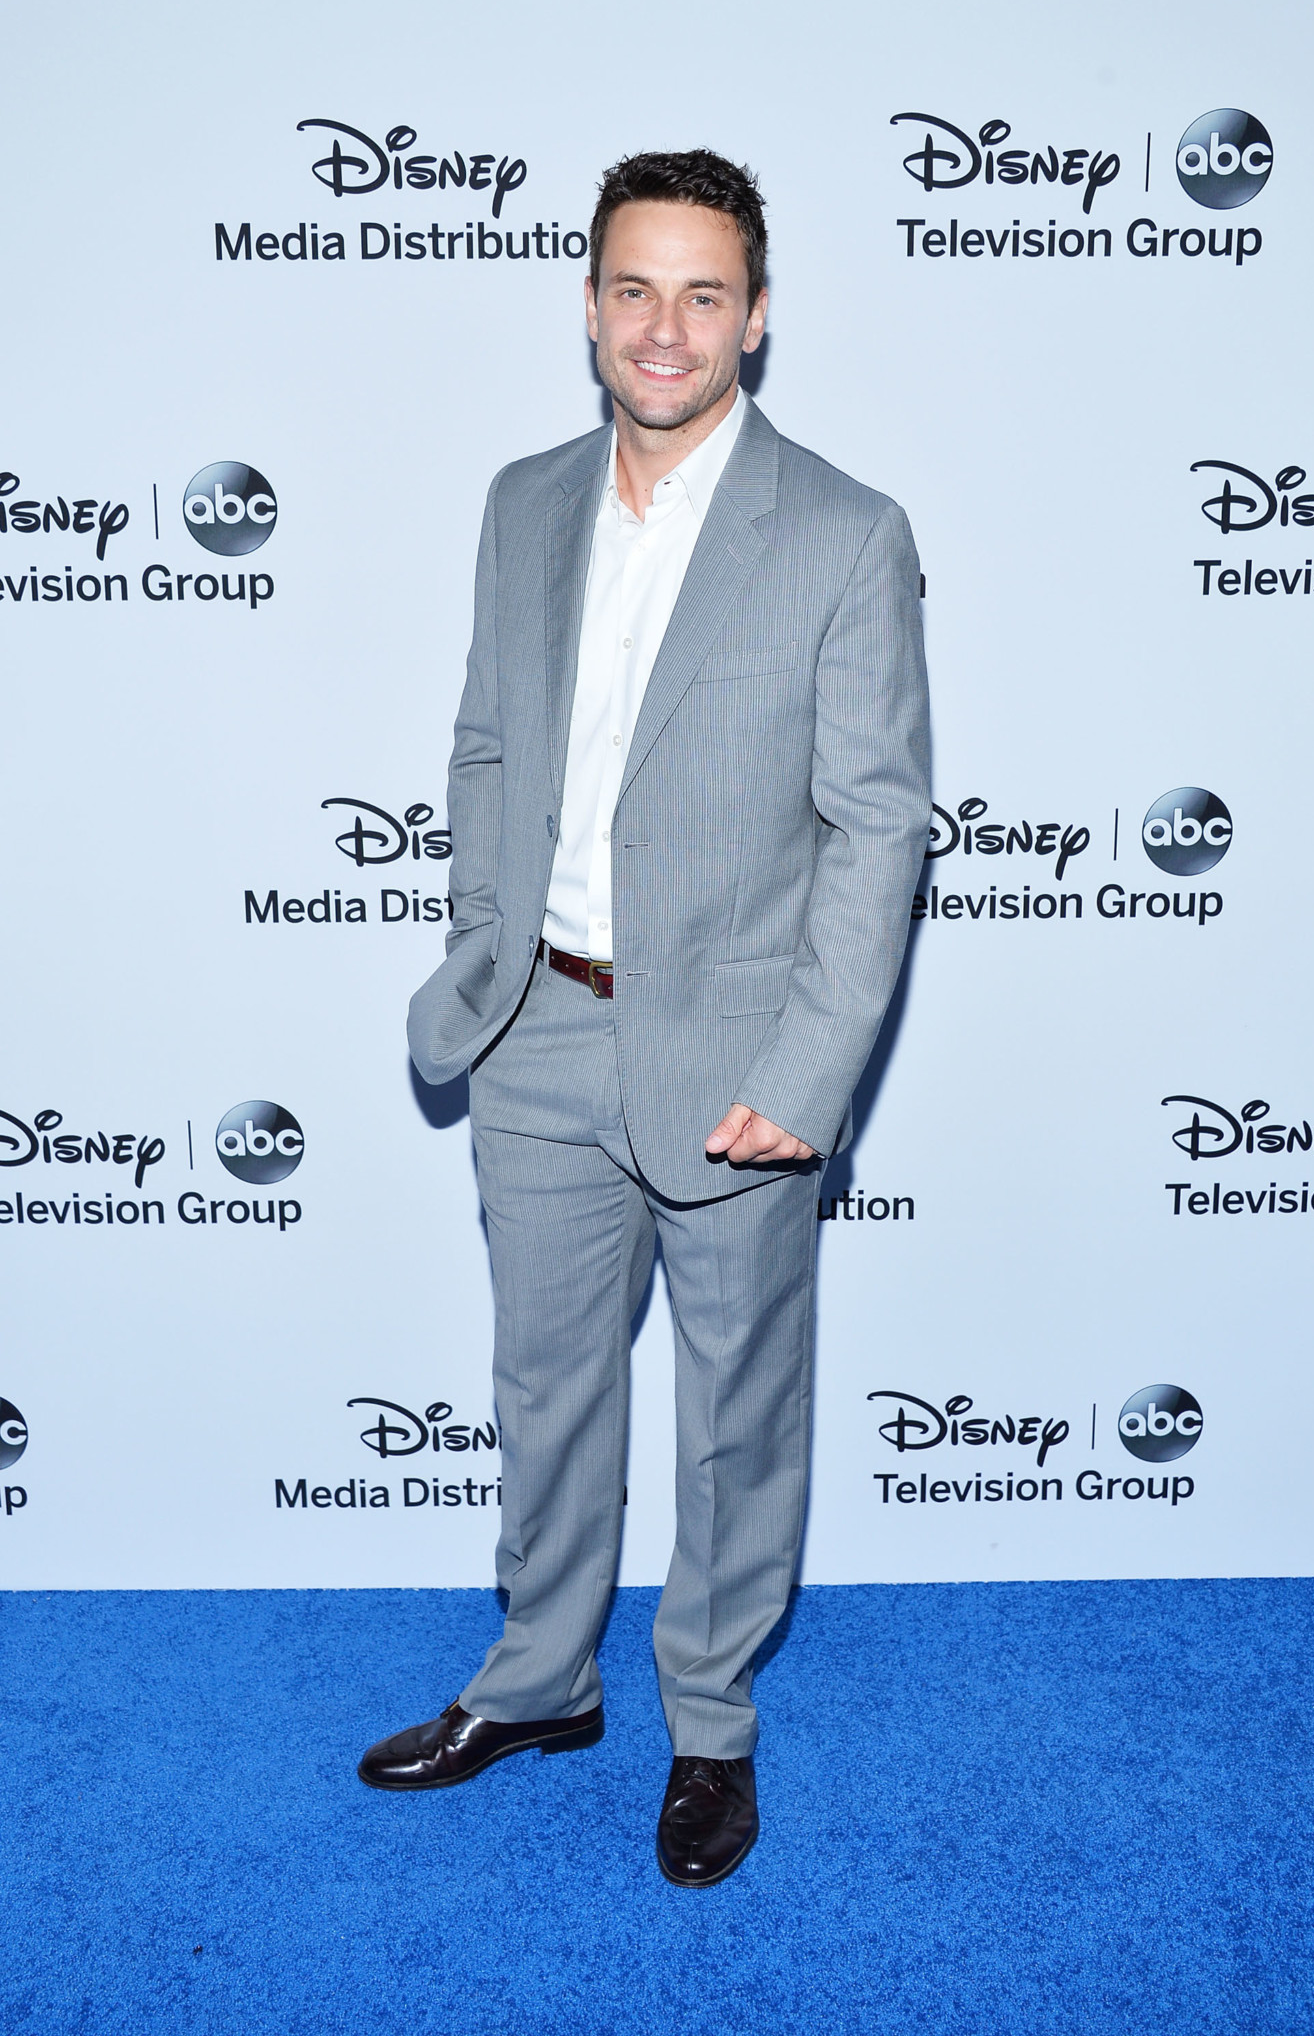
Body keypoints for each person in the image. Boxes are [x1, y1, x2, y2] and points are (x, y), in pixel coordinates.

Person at [359, 149, 931, 1886]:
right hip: (536, 1026)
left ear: (755, 318)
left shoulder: (843, 531)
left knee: (737, 1409)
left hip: (737, 1061)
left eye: (702, 293)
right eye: (632, 287)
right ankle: (538, 1682)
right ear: (590, 304)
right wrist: (482, 941)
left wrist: (809, 1069)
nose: (663, 328)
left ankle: (710, 1725)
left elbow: (879, 824)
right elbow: (481, 749)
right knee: (545, 1393)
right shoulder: (522, 500)